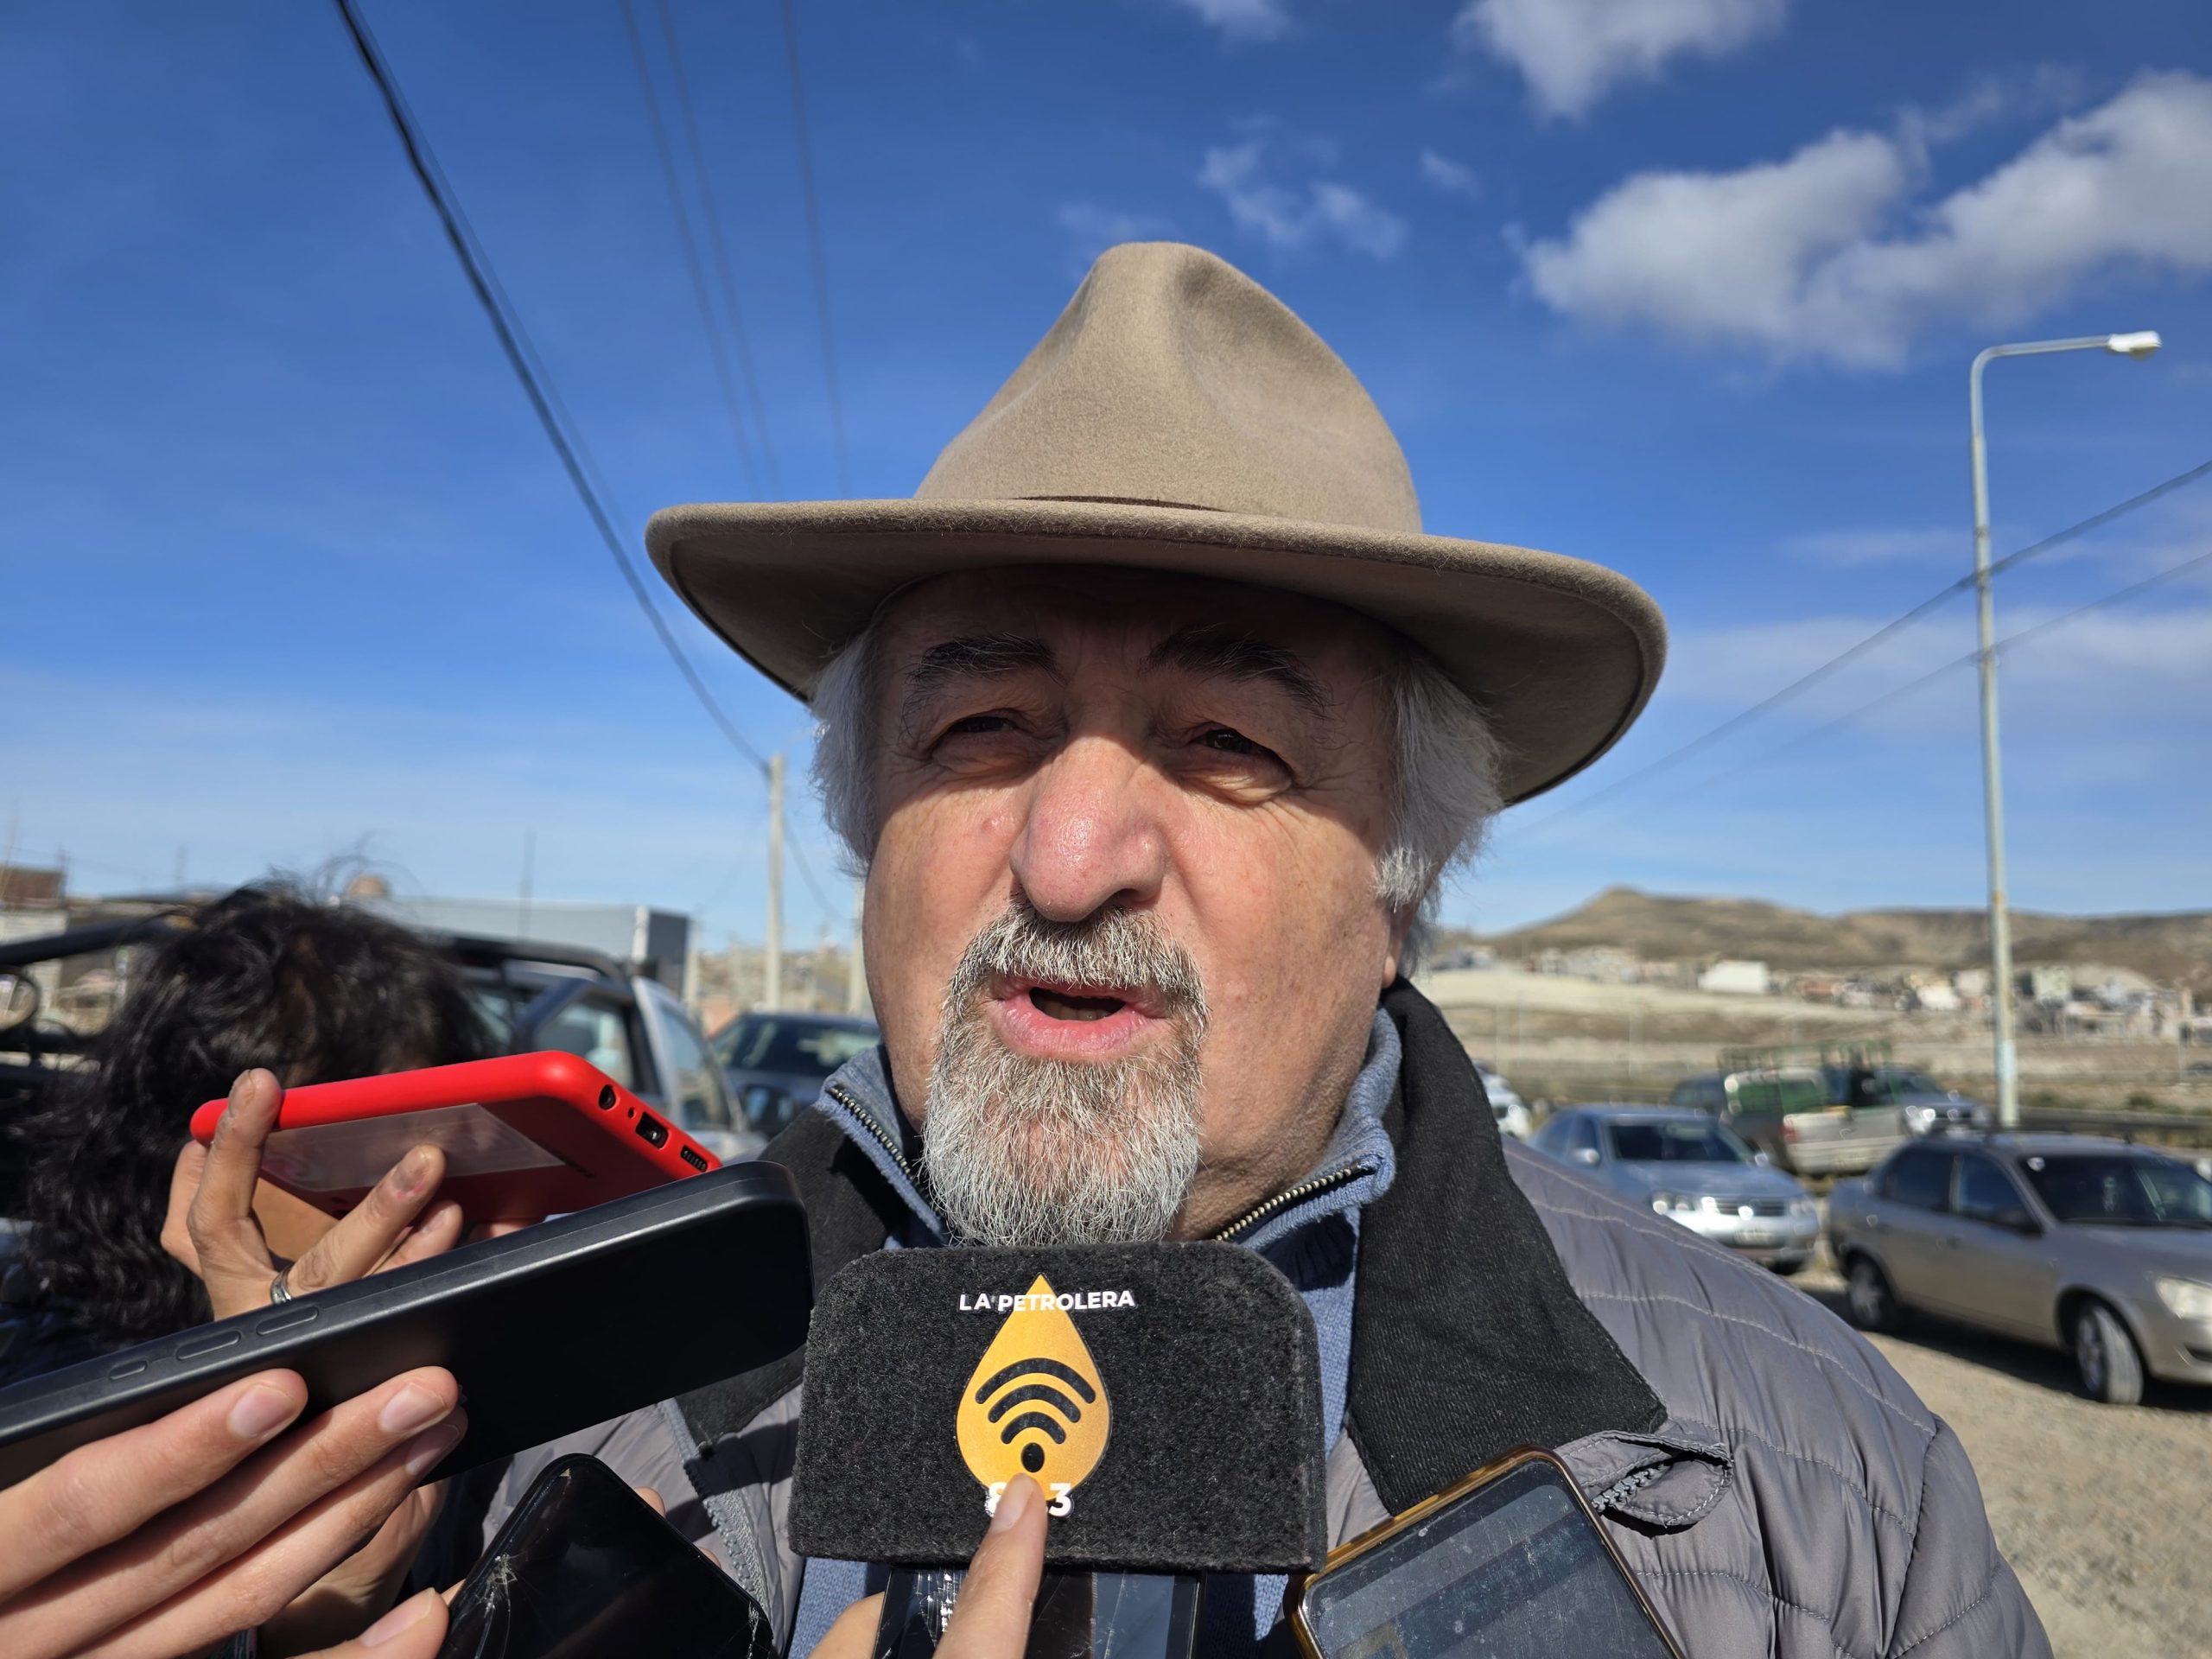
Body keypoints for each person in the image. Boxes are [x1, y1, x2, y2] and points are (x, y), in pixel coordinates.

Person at [0, 881, 490, 1383]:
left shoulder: (478, 1328)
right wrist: (273, 1354)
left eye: (438, 1135)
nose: (414, 1185)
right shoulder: (47, 1349)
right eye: (343, 1147)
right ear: (194, 1148)